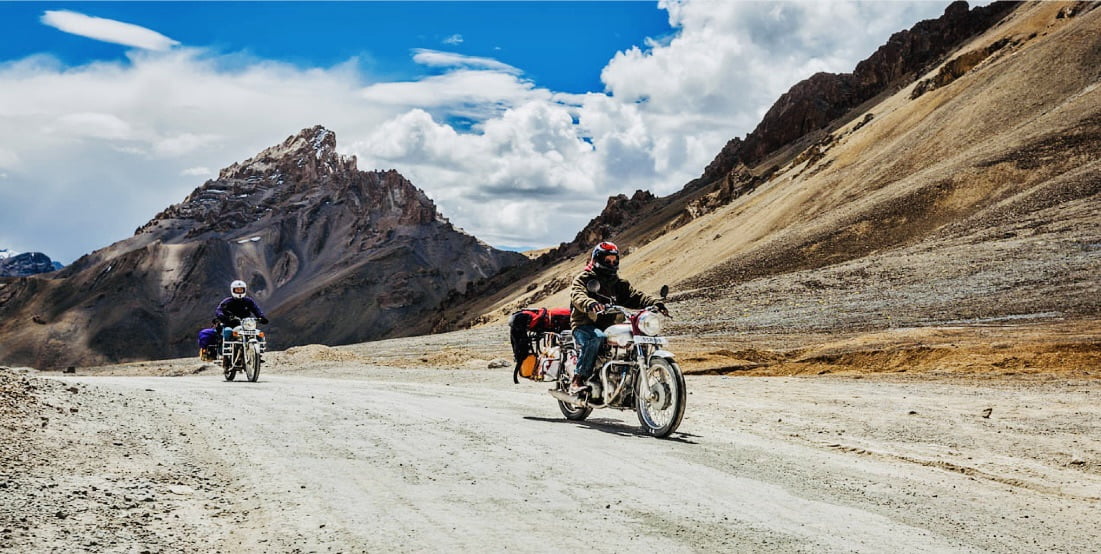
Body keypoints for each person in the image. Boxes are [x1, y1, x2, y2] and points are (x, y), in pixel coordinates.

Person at [568, 241, 665, 395]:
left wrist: (654, 303)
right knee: (596, 338)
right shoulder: (585, 278)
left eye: (614, 260)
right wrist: (590, 303)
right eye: (607, 260)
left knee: (635, 336)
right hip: (585, 324)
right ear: (597, 259)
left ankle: (628, 380)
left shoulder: (619, 284)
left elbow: (634, 297)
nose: (611, 263)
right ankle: (578, 379)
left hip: (612, 325)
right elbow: (577, 294)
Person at [215, 280, 268, 344]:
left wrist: (261, 317)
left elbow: (256, 309)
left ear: (244, 290)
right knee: (227, 331)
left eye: (241, 289)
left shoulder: (248, 301)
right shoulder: (227, 301)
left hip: (246, 324)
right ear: (233, 290)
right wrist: (224, 317)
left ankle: (260, 348)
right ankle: (226, 350)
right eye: (237, 290)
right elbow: (219, 310)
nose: (239, 291)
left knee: (258, 333)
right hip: (231, 324)